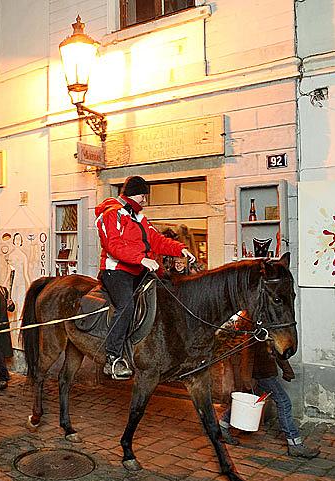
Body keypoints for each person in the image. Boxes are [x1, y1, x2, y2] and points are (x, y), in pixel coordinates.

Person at [95, 175, 196, 379]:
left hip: (138, 270)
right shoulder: (111, 214)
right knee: (126, 306)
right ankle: (112, 357)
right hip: (115, 271)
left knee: (168, 293)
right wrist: (142, 260)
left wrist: (180, 249)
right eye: (143, 195)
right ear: (133, 193)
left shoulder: (139, 217)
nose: (145, 200)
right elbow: (114, 246)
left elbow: (156, 240)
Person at [219, 343, 320, 458]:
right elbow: (248, 354)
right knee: (284, 403)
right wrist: (246, 379)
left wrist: (287, 370)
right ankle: (295, 444)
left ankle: (223, 423)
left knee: (249, 402)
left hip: (264, 374)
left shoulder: (269, 331)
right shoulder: (259, 331)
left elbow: (277, 351)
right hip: (263, 376)